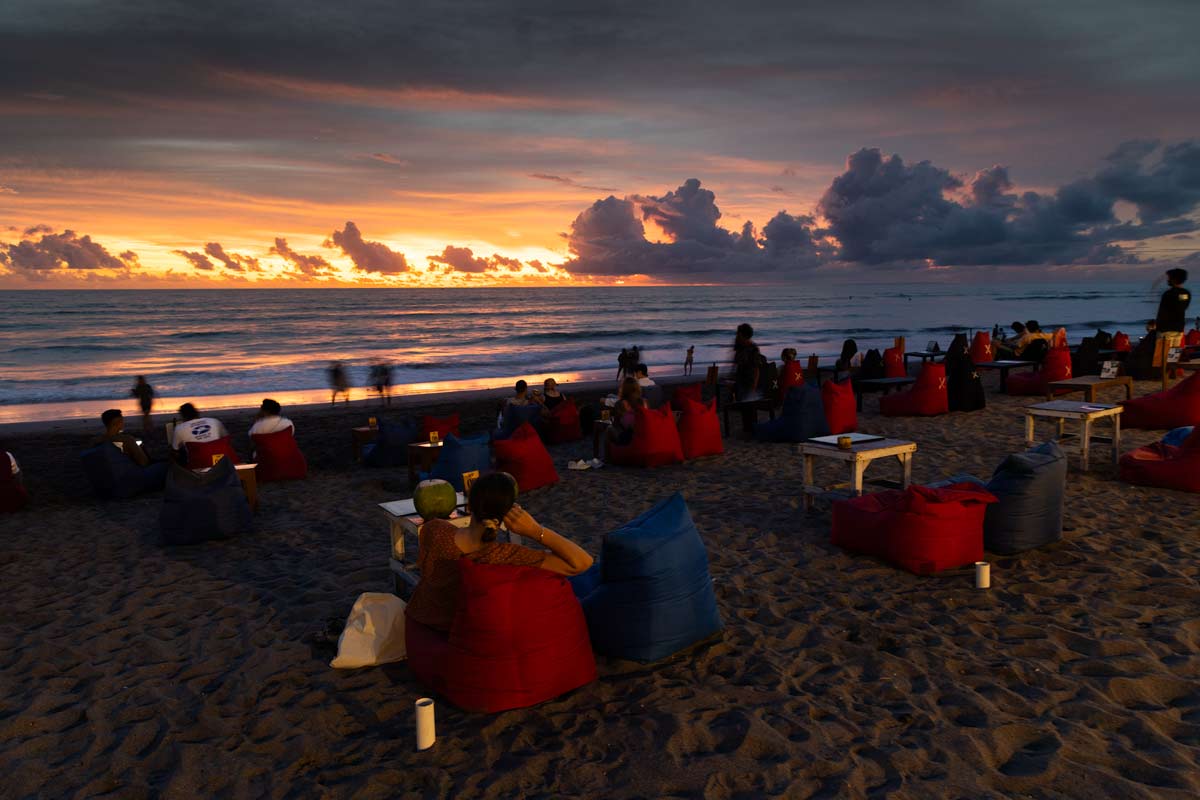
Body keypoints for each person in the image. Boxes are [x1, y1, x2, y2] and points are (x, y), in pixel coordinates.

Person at [404, 472, 593, 633]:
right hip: (457, 633)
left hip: (421, 624)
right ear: (509, 514)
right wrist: (535, 531)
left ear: (469, 506)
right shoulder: (507, 556)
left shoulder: (433, 530)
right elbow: (582, 562)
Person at [1155, 268, 1191, 366]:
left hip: (1165, 330)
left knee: (1162, 358)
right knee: (1173, 357)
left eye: (1169, 278)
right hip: (1178, 328)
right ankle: (1171, 374)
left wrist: (1158, 327)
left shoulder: (1168, 294)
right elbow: (1183, 307)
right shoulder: (1186, 293)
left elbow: (1162, 312)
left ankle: (1164, 377)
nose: (1168, 280)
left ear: (1174, 279)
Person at [609, 378, 646, 445]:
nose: (619, 389)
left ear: (624, 389)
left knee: (609, 429)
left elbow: (616, 425)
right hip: (643, 435)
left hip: (628, 438)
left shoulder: (620, 403)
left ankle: (609, 454)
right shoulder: (643, 402)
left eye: (621, 387)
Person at [732, 323, 763, 400]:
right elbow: (736, 363)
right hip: (740, 380)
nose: (737, 336)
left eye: (738, 334)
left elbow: (756, 369)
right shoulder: (740, 347)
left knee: (748, 405)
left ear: (743, 335)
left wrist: (754, 386)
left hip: (749, 381)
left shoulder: (753, 349)